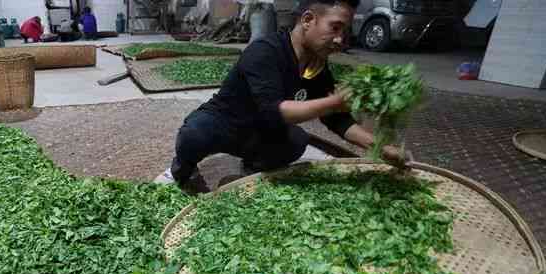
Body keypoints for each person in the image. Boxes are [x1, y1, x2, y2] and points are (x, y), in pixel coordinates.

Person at [154, 0, 407, 191]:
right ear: (308, 20)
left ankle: (252, 167)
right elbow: (273, 110)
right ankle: (182, 170)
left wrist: (380, 147)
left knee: (296, 141)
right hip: (226, 123)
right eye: (335, 27)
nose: (341, 39)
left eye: (346, 30)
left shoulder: (317, 65)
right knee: (195, 133)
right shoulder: (265, 51)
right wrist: (333, 102)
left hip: (260, 132)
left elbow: (337, 120)